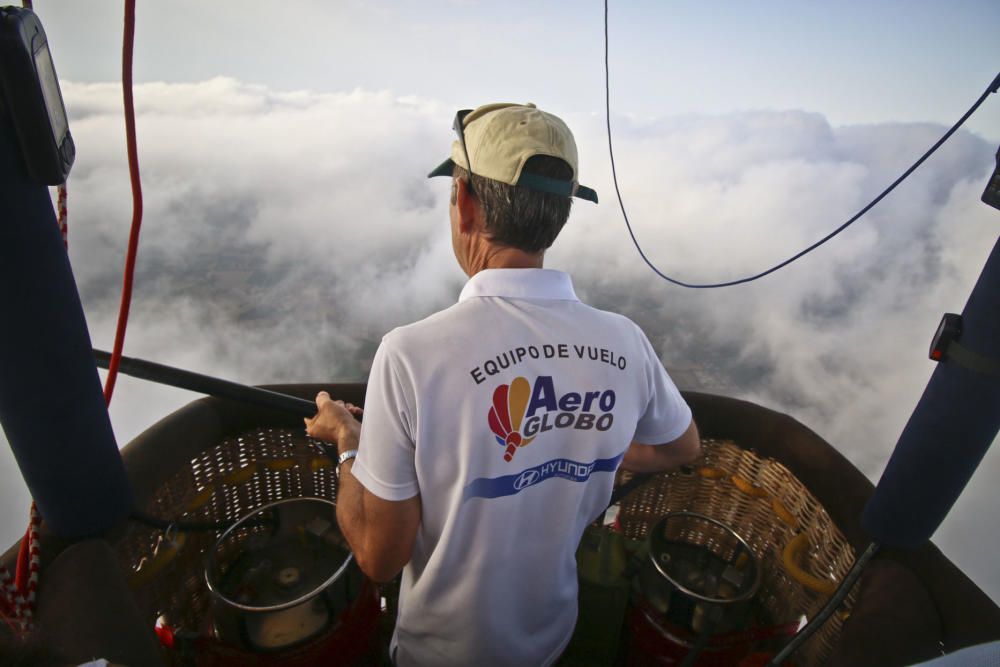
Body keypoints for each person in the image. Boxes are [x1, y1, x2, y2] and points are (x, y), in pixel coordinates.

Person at [304, 102, 701, 666]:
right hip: (553, 639)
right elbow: (681, 447)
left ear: (463, 202)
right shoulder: (623, 342)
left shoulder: (410, 356)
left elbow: (377, 556)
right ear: (561, 213)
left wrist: (347, 441)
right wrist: (584, 443)